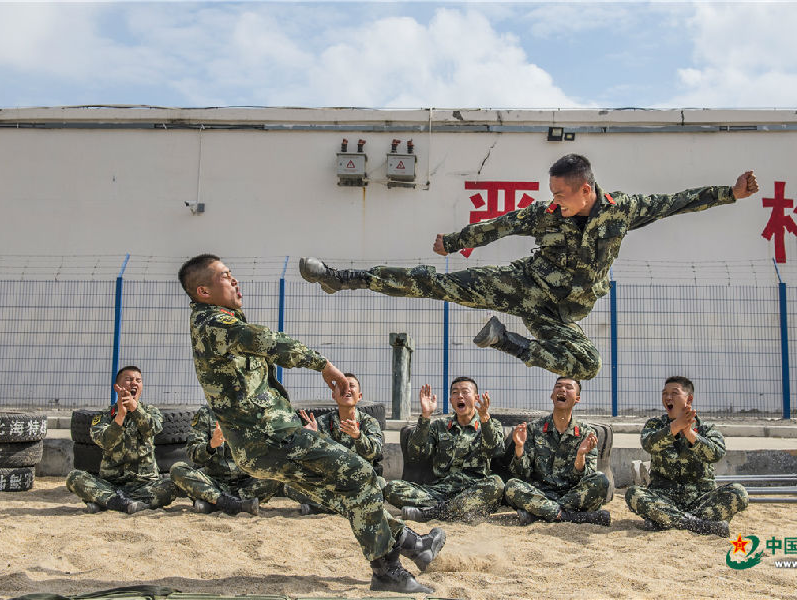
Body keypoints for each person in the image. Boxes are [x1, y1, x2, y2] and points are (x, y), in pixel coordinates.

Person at [299, 154, 759, 380]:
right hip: (520, 285)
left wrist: (730, 194)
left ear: (585, 190)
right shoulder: (545, 214)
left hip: (558, 314)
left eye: (561, 193)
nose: (553, 200)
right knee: (433, 285)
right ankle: (341, 279)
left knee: (588, 365)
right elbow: (500, 225)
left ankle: (506, 341)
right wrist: (456, 242)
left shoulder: (622, 210)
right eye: (552, 192)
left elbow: (675, 202)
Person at [178, 254, 444, 594]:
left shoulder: (220, 324)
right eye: (226, 276)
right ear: (202, 291)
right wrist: (323, 365)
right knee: (361, 474)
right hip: (270, 438)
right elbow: (269, 342)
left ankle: (412, 544)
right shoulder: (212, 323)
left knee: (348, 493)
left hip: (262, 443)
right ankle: (387, 572)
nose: (235, 281)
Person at [624, 376, 749, 537]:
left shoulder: (706, 429)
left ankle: (665, 521)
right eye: (665, 393)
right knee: (634, 494)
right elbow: (649, 444)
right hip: (664, 498)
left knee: (738, 492)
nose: (668, 397)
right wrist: (675, 426)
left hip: (701, 499)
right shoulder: (655, 425)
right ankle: (697, 524)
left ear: (689, 398)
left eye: (674, 393)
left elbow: (716, 453)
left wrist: (689, 433)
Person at [383, 377, 505, 522]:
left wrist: (485, 419)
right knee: (393, 488)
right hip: (440, 490)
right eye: (455, 393)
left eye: (465, 392)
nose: (460, 396)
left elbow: (494, 451)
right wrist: (425, 416)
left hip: (473, 489)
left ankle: (430, 513)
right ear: (451, 400)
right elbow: (416, 453)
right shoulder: (439, 426)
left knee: (496, 484)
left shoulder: (490, 424)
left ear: (476, 398)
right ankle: (454, 511)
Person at [66, 366, 179, 514]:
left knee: (171, 485)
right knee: (74, 477)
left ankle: (105, 502)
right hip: (110, 484)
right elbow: (104, 441)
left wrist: (135, 409)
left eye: (138, 380)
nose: (134, 383)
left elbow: (152, 429)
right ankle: (122, 503)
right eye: (129, 379)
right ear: (117, 387)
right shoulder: (105, 416)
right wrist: (120, 416)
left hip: (144, 483)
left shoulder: (151, 411)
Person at [503, 376, 611, 526]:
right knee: (512, 486)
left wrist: (580, 455)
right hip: (541, 494)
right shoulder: (534, 429)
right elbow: (522, 473)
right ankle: (572, 516)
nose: (562, 389)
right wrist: (519, 447)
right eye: (558, 386)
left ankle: (541, 515)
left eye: (569, 388)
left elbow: (587, 477)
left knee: (601, 480)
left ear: (577, 399)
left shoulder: (587, 433)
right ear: (552, 395)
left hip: (572, 495)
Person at [287, 373, 385, 515]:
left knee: (380, 485)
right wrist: (311, 437)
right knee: (291, 486)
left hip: (358, 482)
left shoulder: (368, 422)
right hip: (330, 483)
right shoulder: (322, 422)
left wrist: (358, 436)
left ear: (360, 396)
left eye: (351, 386)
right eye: (342, 386)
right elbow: (309, 460)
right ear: (334, 395)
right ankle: (345, 507)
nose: (347, 389)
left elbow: (374, 452)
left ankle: (323, 506)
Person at [169, 403, 282, 515]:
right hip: (214, 483)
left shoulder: (255, 415)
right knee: (177, 469)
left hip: (246, 484)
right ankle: (232, 503)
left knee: (279, 471)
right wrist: (211, 445)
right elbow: (193, 454)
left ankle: (215, 505)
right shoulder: (206, 413)